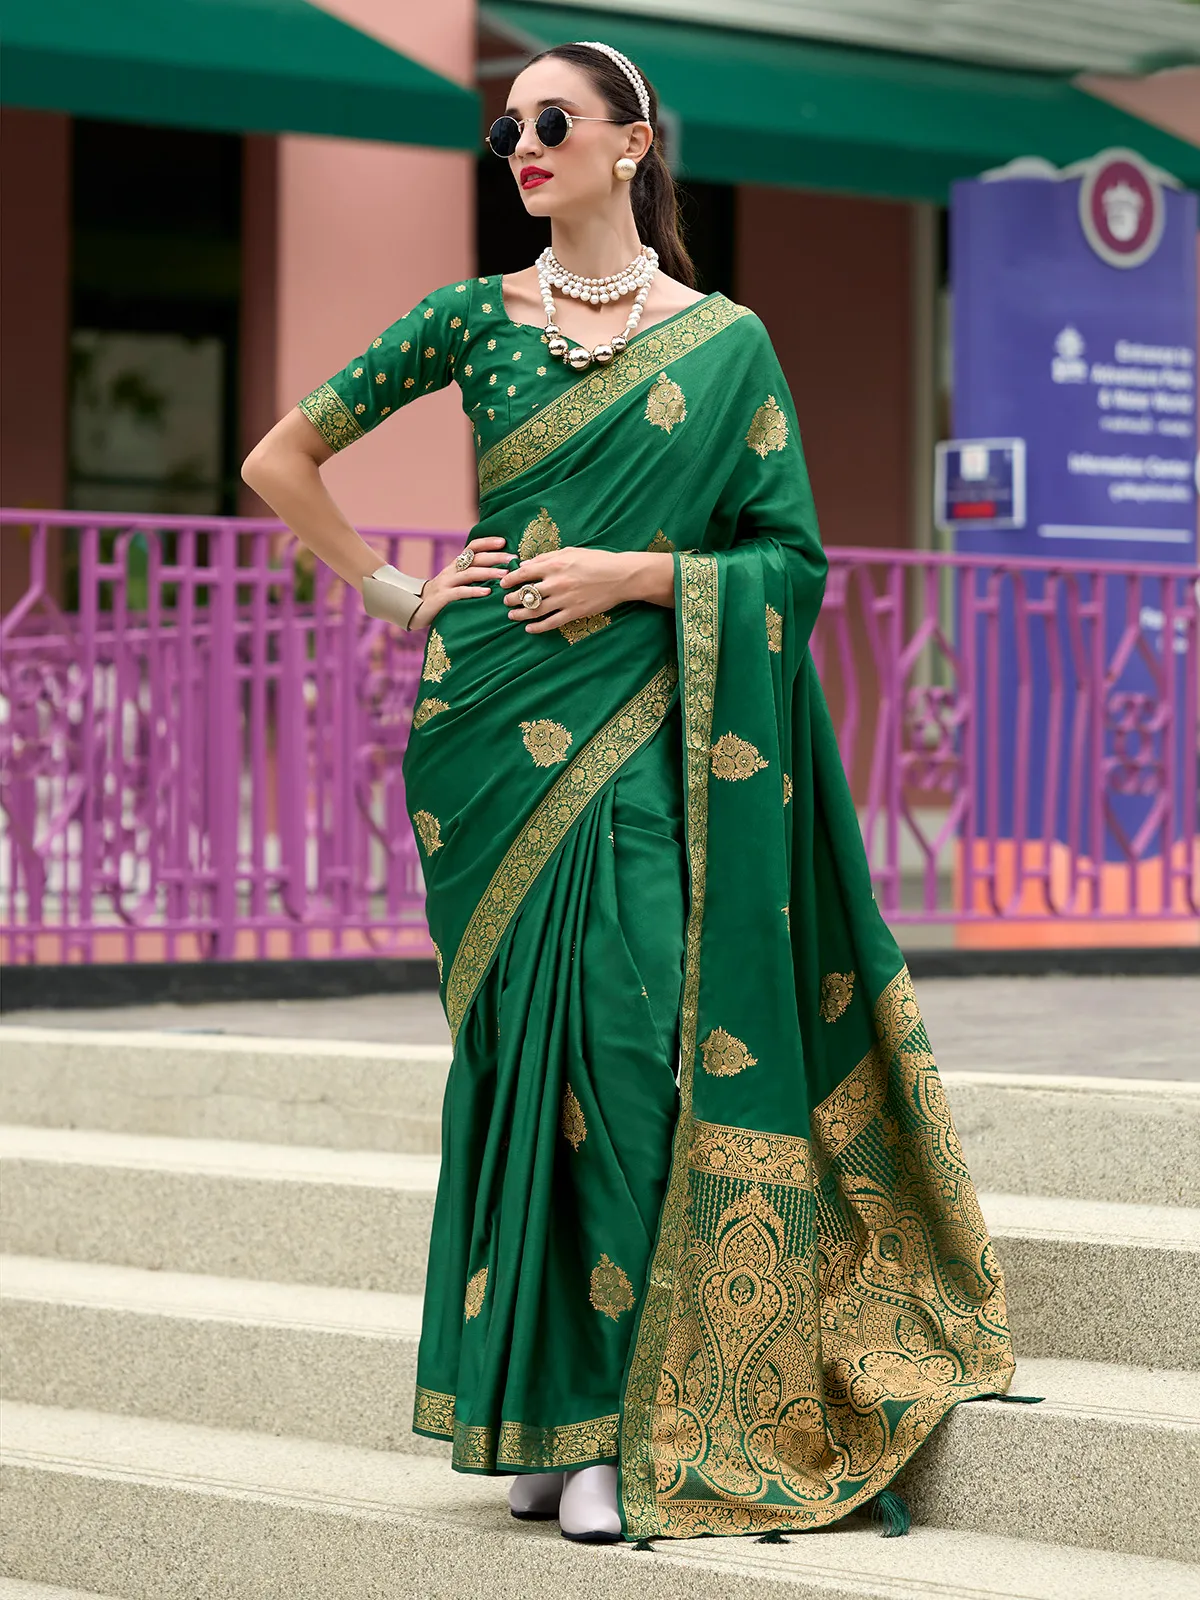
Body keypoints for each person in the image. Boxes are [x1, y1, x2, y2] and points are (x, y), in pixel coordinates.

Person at [242, 38, 1015, 1547]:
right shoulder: (473, 317)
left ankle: (613, 1428)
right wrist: (399, 597)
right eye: (502, 127)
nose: (519, 145)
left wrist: (642, 574)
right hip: (483, 741)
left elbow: (791, 565)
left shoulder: (727, 346)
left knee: (620, 1051)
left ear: (628, 142)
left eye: (548, 122)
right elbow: (286, 458)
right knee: (520, 1078)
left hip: (647, 743)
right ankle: (547, 1425)